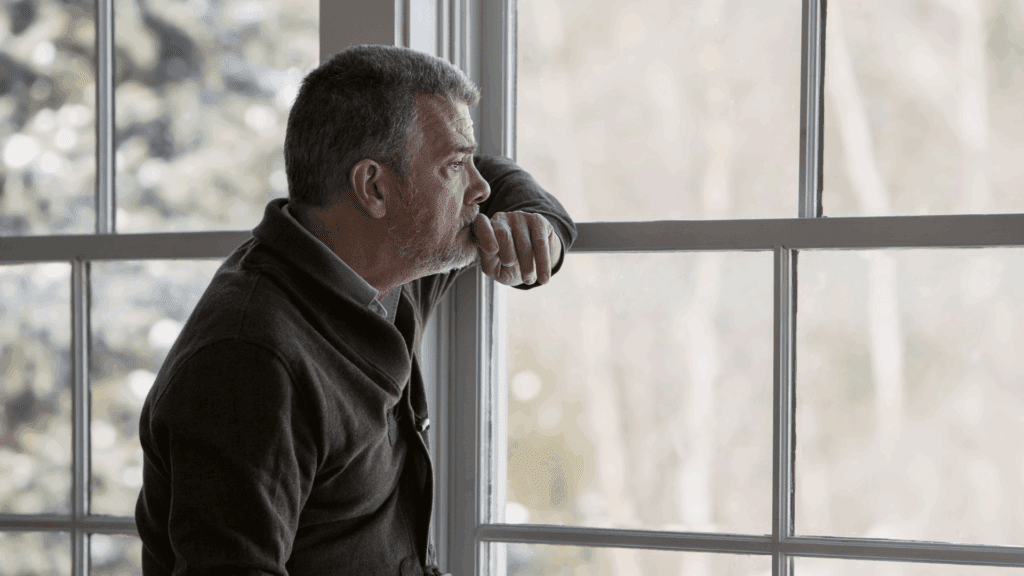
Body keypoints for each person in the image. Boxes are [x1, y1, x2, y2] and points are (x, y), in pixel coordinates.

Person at [134, 44, 577, 576]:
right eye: (455, 167)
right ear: (374, 188)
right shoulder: (249, 361)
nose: (479, 189)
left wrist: (538, 229)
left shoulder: (386, 257)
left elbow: (497, 177)